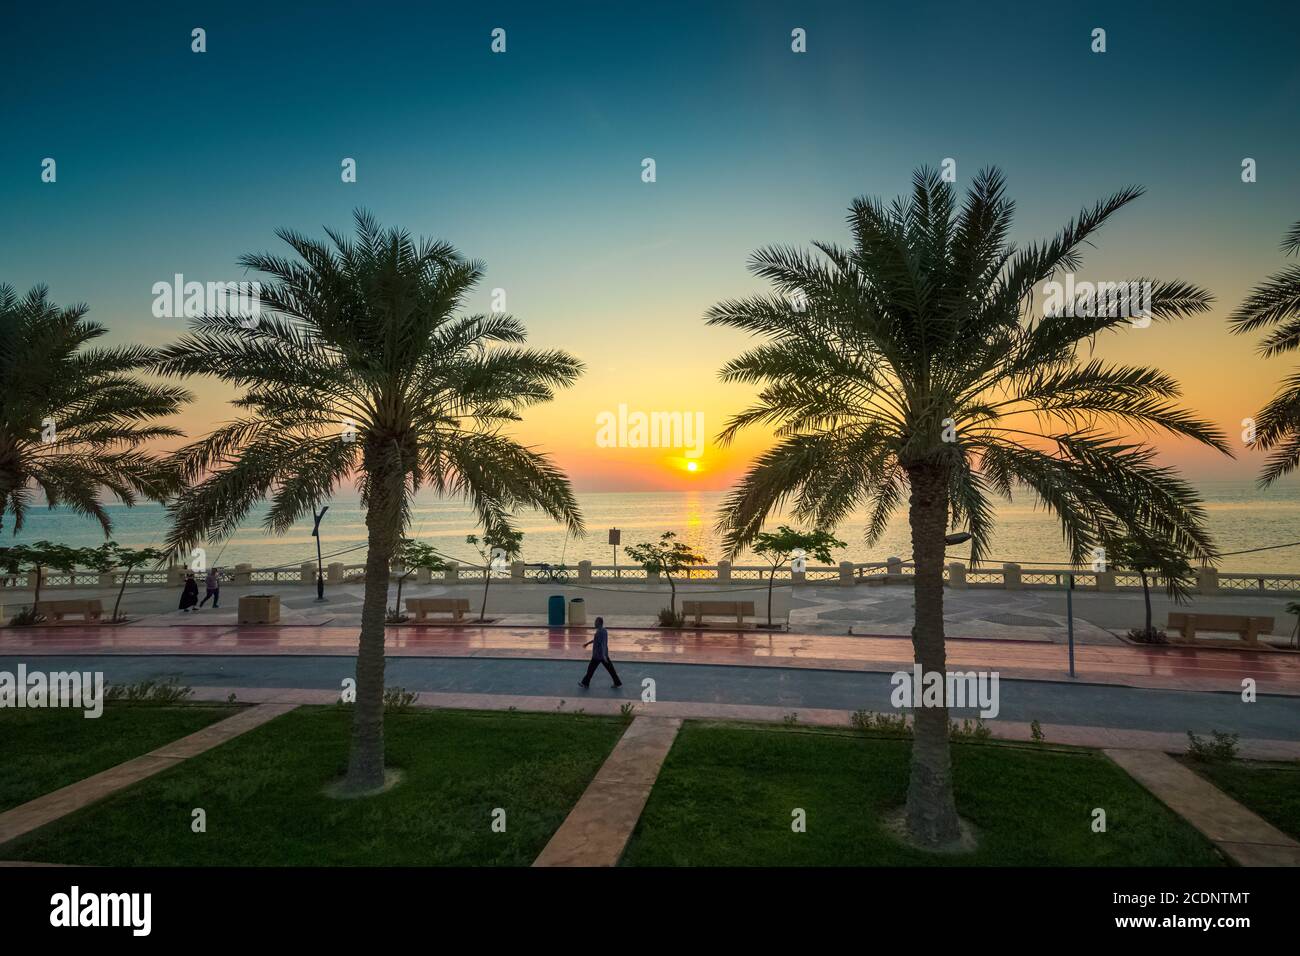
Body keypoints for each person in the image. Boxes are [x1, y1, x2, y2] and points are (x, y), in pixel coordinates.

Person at [579, 616, 621, 689]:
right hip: (603, 655)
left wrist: (603, 656)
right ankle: (617, 682)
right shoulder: (604, 631)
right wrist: (587, 643)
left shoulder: (600, 632)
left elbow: (602, 644)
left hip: (598, 656)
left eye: (595, 622)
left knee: (590, 670)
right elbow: (596, 640)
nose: (594, 623)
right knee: (611, 670)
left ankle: (585, 683)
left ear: (599, 623)